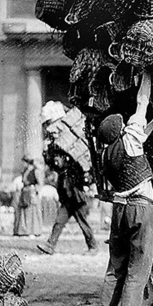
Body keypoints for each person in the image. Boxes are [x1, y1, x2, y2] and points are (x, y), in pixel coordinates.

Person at [94, 72, 153, 306]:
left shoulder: (106, 153)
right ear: (122, 129)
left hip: (119, 209)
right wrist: (147, 73)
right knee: (137, 274)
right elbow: (142, 101)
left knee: (115, 270)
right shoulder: (129, 138)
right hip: (141, 210)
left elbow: (140, 137)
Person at [38, 106, 98, 255]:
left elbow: (60, 164)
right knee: (60, 220)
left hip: (75, 191)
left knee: (81, 221)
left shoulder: (70, 151)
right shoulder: (57, 146)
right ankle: (50, 245)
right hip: (67, 191)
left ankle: (92, 246)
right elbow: (54, 165)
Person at [14, 156, 44, 237]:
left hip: (32, 191)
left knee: (32, 211)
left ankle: (33, 230)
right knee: (24, 211)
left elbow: (40, 183)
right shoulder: (25, 171)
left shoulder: (35, 171)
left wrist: (36, 192)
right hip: (25, 191)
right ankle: (24, 230)